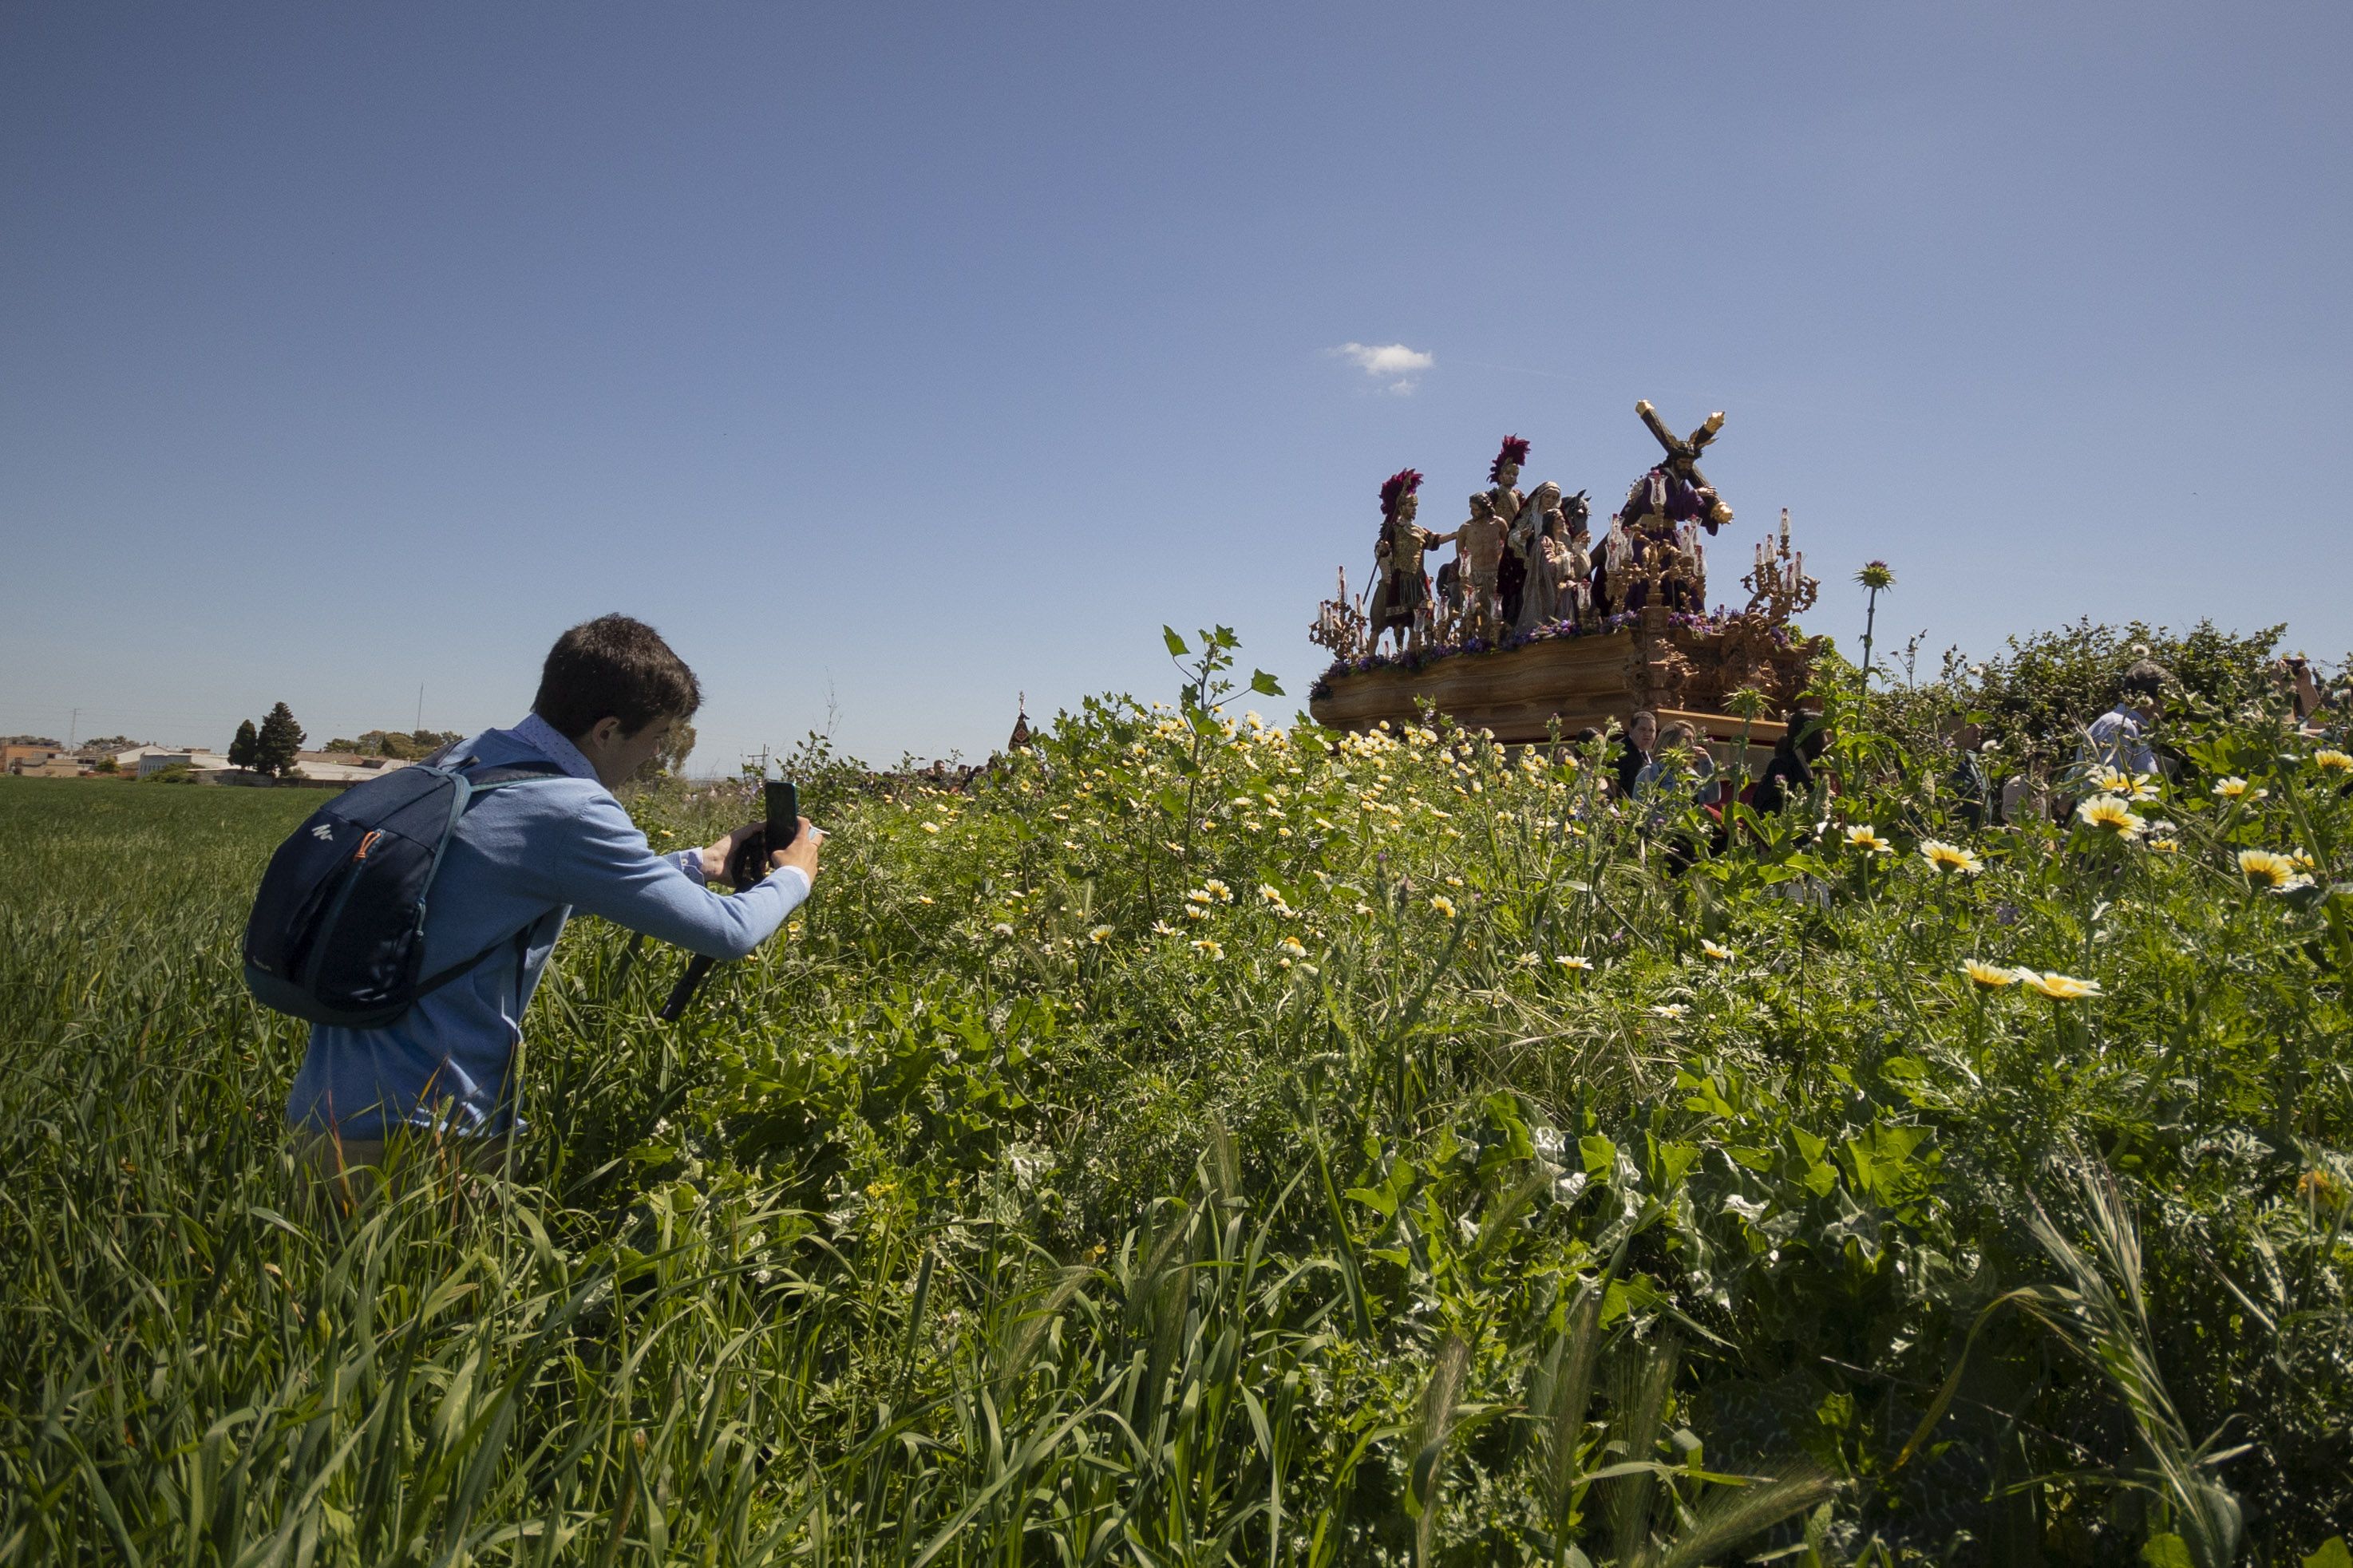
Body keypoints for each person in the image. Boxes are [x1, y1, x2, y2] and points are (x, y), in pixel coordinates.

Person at [284, 614, 825, 1171]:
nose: (654, 757)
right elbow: (727, 932)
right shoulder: (568, 806)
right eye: (656, 738)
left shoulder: (470, 756)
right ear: (608, 730)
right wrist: (795, 875)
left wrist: (701, 863)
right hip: (422, 1139)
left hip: (324, 1116)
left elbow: (522, 883)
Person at [2078, 661, 2165, 780]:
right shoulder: (2121, 727)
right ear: (2158, 700)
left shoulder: (2126, 725)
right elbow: (2106, 786)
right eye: (2168, 698)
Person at [1750, 705, 1825, 816]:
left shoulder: (1813, 765)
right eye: (1823, 734)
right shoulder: (1782, 766)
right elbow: (1766, 807)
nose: (1826, 740)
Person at [1938, 716, 1991, 830]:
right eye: (1970, 722)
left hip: (1980, 841)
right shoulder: (1934, 760)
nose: (1979, 728)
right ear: (1947, 724)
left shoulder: (1978, 759)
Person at [1613, 710, 1658, 800]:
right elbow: (1615, 787)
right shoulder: (1618, 751)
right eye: (1642, 729)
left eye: (1651, 730)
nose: (1648, 734)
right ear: (1631, 730)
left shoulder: (1651, 754)